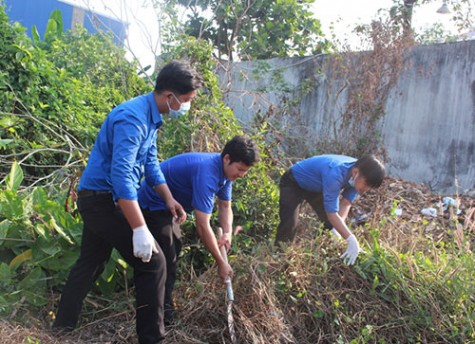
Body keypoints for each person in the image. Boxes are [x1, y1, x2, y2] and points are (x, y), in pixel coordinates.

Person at [53, 60, 203, 344]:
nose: (186, 106)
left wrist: (169, 199)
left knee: (92, 262)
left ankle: (62, 326)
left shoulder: (151, 118)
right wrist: (139, 228)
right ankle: (152, 338)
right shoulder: (132, 118)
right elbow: (121, 177)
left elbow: (150, 163)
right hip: (102, 201)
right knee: (153, 262)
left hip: (103, 200)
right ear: (169, 96)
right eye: (185, 100)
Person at [138, 135, 260, 324]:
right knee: (164, 257)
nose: (242, 175)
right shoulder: (207, 173)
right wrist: (220, 262)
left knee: (173, 249)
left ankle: (163, 307)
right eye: (240, 169)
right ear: (227, 158)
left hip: (171, 209)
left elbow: (225, 207)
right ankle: (158, 314)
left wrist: (227, 233)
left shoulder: (226, 175)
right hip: (151, 204)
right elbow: (203, 226)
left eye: (245, 171)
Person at [274, 154, 385, 265]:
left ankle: (324, 255)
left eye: (370, 187)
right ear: (355, 173)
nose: (366, 189)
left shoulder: (359, 174)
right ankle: (280, 258)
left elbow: (345, 204)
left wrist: (339, 233)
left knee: (331, 226)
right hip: (294, 181)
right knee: (290, 224)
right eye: (366, 184)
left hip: (317, 186)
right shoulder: (335, 173)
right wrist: (351, 239)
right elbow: (332, 213)